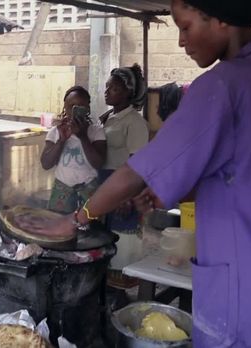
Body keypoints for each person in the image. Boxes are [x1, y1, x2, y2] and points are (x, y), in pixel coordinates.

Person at [33, 0, 251, 346]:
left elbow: (136, 170)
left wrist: (76, 219)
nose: (181, 41)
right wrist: (178, 190)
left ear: (220, 19)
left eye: (186, 26)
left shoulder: (223, 85)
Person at [98, 64, 150, 288]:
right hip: (106, 183)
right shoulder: (110, 117)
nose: (107, 91)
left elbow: (137, 163)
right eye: (107, 87)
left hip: (123, 186)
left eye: (114, 88)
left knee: (124, 241)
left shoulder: (135, 122)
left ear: (129, 92)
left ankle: (124, 292)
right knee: (106, 237)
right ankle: (110, 288)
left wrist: (127, 196)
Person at [40, 86, 106, 214]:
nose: (74, 110)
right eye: (71, 106)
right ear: (65, 108)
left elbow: (99, 163)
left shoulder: (96, 131)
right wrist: (61, 140)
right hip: (62, 189)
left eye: (80, 106)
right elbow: (46, 164)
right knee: (59, 228)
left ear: (88, 108)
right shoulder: (56, 132)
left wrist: (83, 137)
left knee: (88, 229)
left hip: (88, 190)